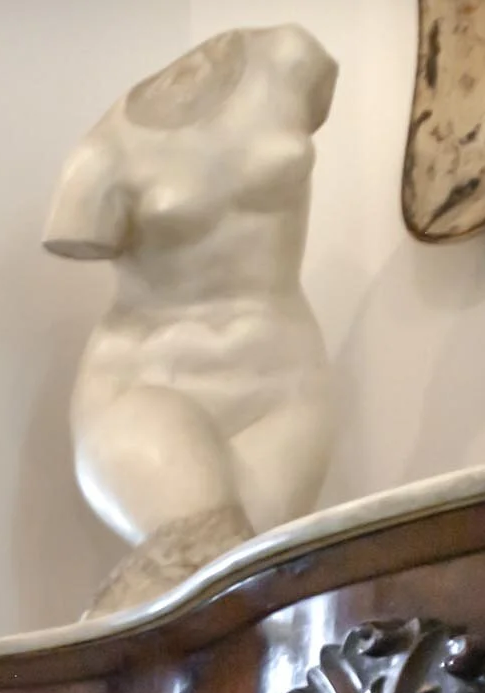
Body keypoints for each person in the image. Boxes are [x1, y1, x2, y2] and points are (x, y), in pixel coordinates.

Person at [45, 25, 339, 615]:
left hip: (286, 389)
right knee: (202, 550)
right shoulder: (97, 158)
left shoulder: (287, 56)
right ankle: (97, 667)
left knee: (249, 605)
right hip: (149, 384)